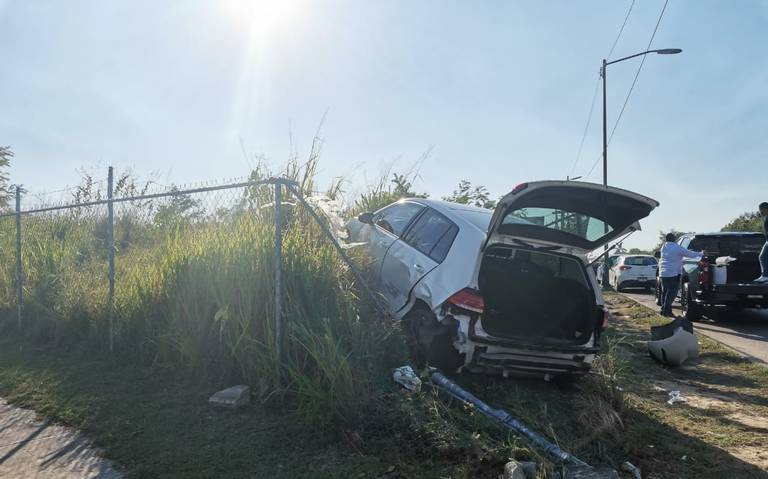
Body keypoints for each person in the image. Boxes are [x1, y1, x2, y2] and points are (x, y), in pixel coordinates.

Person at [658, 233, 703, 317]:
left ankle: (663, 310)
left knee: (665, 292)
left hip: (663, 273)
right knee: (672, 293)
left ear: (666, 239)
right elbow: (690, 254)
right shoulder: (676, 247)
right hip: (673, 273)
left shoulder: (664, 247)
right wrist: (701, 253)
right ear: (674, 239)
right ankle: (666, 311)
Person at [756, 202, 768, 283]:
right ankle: (765, 276)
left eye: (761, 210)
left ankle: (765, 276)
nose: (760, 212)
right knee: (762, 257)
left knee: (762, 257)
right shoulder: (765, 218)